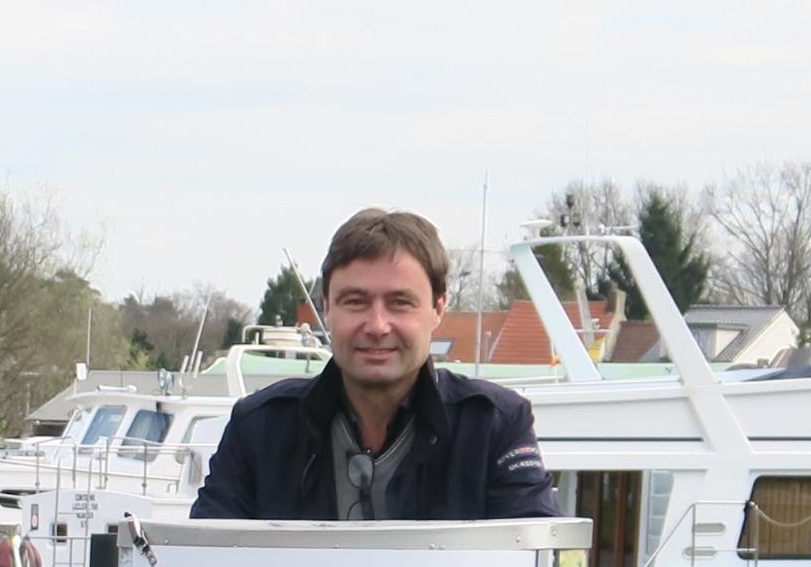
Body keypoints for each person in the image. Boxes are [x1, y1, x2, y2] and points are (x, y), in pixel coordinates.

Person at [192, 209, 561, 524]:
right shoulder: (258, 428)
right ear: (327, 308)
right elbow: (202, 560)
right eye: (356, 301)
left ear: (438, 308)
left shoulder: (493, 426)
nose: (377, 325)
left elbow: (539, 559)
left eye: (400, 303)